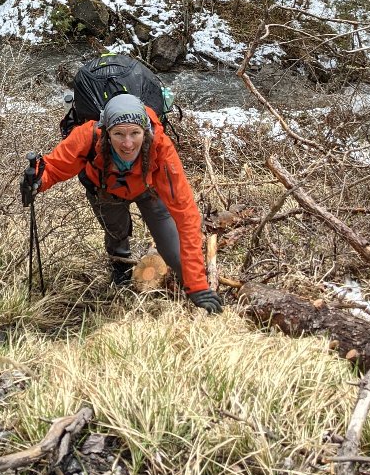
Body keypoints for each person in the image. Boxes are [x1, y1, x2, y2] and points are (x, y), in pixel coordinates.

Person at [21, 92, 223, 313]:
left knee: (174, 251)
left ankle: (190, 290)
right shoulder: (88, 135)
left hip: (149, 190)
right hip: (106, 191)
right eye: (118, 134)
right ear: (106, 132)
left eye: (135, 133)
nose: (127, 143)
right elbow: (55, 166)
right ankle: (120, 271)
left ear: (145, 131)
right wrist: (37, 182)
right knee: (116, 233)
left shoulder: (160, 147)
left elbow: (186, 215)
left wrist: (197, 285)